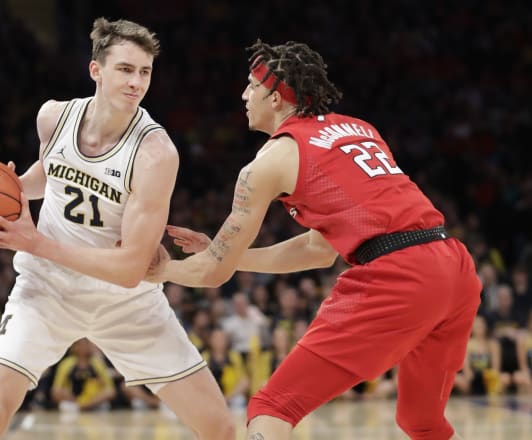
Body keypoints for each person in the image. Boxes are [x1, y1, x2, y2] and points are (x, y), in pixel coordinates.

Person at [148, 39, 482, 439]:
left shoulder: (270, 161)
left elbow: (212, 274)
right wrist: (228, 252)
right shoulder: (359, 127)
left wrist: (158, 270)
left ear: (275, 97)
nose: (243, 95)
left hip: (399, 275)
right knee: (422, 422)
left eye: (251, 86)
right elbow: (317, 249)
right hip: (454, 266)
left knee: (272, 408)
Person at [0, 18, 235, 440]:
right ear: (96, 70)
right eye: (125, 69)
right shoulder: (54, 117)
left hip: (124, 301)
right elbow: (48, 175)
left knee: (219, 428)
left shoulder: (156, 153)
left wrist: (37, 243)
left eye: (144, 72)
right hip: (46, 288)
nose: (136, 82)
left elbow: (129, 269)